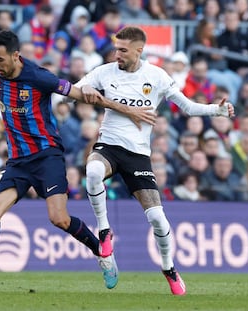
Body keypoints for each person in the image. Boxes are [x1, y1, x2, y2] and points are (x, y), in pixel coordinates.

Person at [0, 30, 156, 292]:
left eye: (0, 59)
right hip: (18, 162)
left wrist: (129, 110)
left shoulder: (39, 77)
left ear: (15, 55)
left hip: (47, 156)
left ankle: (102, 253)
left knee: (59, 219)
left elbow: (80, 95)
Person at [76, 26, 235, 295]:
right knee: (92, 171)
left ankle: (169, 268)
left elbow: (186, 107)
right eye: (116, 48)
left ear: (139, 50)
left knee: (159, 219)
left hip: (138, 154)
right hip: (109, 146)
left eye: (123, 50)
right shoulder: (105, 71)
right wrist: (88, 88)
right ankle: (104, 231)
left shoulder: (157, 76)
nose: (117, 54)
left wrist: (215, 110)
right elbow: (76, 89)